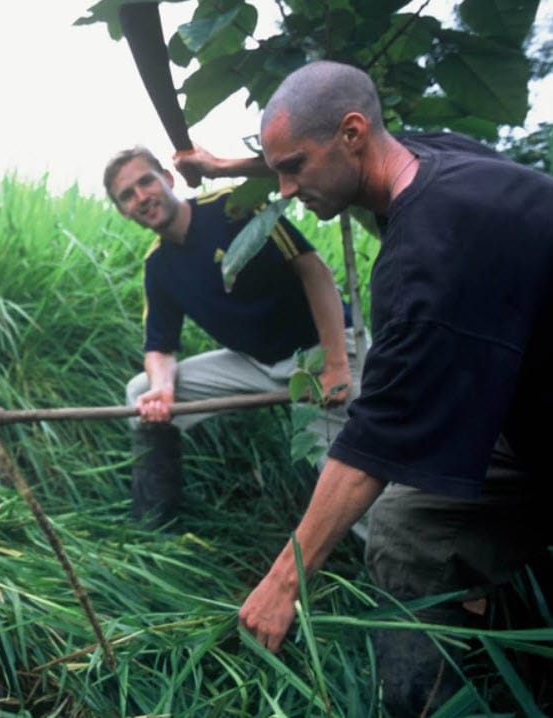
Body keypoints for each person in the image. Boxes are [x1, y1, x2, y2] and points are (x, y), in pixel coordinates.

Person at [185, 60, 553, 715]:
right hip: (523, 412)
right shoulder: (435, 160)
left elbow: (373, 446)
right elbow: (327, 143)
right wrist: (227, 168)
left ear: (354, 134)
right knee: (410, 529)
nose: (288, 189)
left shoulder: (422, 267)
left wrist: (284, 581)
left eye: (293, 169)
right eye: (278, 170)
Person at [103, 147, 360, 529]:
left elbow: (314, 271)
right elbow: (160, 346)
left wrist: (336, 363)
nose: (141, 197)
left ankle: (396, 567)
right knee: (140, 391)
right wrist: (162, 389)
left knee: (346, 477)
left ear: (167, 180)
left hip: (321, 349)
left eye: (146, 182)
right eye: (127, 195)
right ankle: (154, 526)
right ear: (124, 211)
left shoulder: (231, 207)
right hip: (255, 363)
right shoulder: (157, 265)